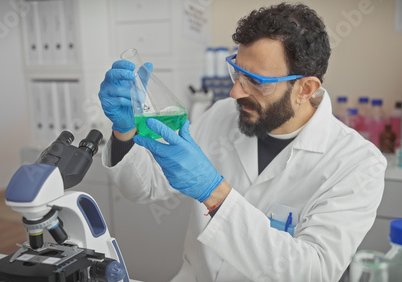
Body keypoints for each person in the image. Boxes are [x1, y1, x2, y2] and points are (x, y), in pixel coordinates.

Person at [98, 3, 386, 281]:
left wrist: (215, 194)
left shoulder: (357, 164)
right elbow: (144, 188)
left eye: (257, 81)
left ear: (305, 88)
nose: (235, 92)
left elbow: (314, 272)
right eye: (237, 72)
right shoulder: (222, 115)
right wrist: (125, 131)